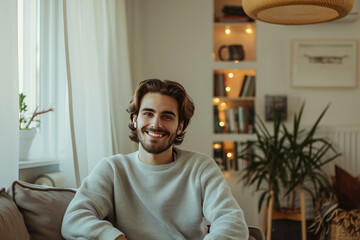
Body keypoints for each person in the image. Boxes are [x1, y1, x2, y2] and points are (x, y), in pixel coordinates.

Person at [61, 79, 249, 240]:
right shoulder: (112, 169)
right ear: (135, 119)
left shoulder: (201, 167)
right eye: (148, 113)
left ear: (180, 126)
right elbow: (74, 219)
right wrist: (115, 238)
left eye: (167, 116)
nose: (156, 124)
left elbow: (232, 221)